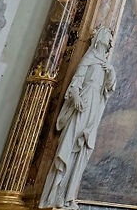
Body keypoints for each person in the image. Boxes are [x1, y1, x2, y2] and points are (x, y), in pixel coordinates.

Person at [38, 28, 117, 208]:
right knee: (70, 144)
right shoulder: (88, 60)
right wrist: (78, 98)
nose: (110, 39)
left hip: (95, 106)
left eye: (111, 38)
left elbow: (108, 89)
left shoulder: (105, 65)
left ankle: (69, 196)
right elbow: (75, 84)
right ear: (98, 39)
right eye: (107, 35)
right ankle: (56, 192)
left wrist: (110, 71)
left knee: (84, 149)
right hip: (84, 103)